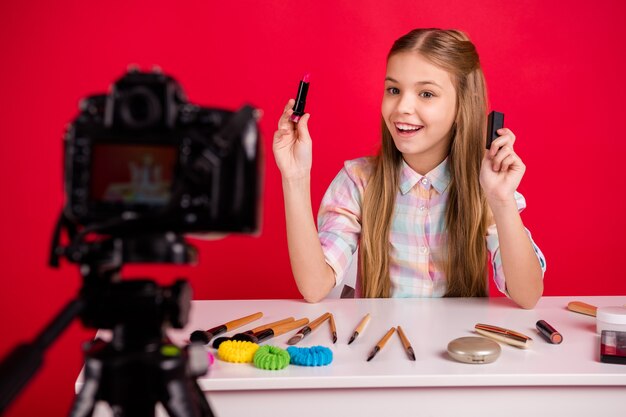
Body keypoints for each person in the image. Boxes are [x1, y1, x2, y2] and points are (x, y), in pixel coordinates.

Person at [272, 28, 546, 309]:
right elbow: (314, 286)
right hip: (381, 344)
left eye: (426, 94)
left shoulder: (484, 185)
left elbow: (527, 295)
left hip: (458, 347)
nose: (402, 106)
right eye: (394, 90)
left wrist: (501, 200)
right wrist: (295, 176)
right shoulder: (358, 180)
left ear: (462, 105)